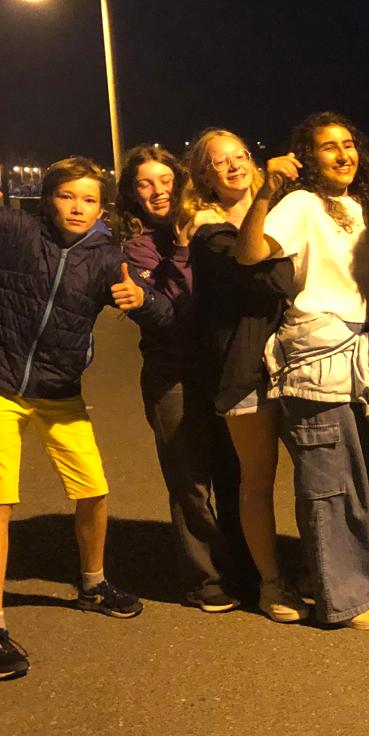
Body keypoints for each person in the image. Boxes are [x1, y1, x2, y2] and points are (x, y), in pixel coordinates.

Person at [0, 158, 164, 681]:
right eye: (66, 196)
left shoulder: (109, 258)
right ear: (48, 198)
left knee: (93, 489)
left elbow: (161, 309)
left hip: (60, 390)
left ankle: (93, 583)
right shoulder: (14, 230)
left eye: (89, 200)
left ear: (102, 209)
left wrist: (142, 300)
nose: (77, 208)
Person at [234, 112, 369, 630]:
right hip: (316, 352)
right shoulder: (301, 204)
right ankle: (347, 597)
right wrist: (266, 192)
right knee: (331, 481)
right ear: (309, 158)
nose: (343, 154)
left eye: (348, 144)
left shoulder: (367, 208)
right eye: (328, 146)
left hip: (365, 354)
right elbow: (250, 253)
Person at [116, 144, 249, 613]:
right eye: (144, 184)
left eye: (165, 180)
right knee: (190, 479)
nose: (157, 191)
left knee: (234, 474)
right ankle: (205, 577)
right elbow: (170, 312)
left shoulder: (211, 225)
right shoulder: (137, 248)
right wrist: (182, 248)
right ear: (132, 194)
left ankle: (246, 569)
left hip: (223, 369)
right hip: (172, 373)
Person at [182, 128, 307, 624]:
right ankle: (271, 584)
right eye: (220, 162)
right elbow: (263, 278)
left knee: (314, 473)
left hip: (297, 361)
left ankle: (320, 571)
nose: (234, 165)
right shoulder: (208, 231)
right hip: (245, 369)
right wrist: (281, 251)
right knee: (257, 478)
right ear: (205, 176)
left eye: (240, 155)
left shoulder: (279, 217)